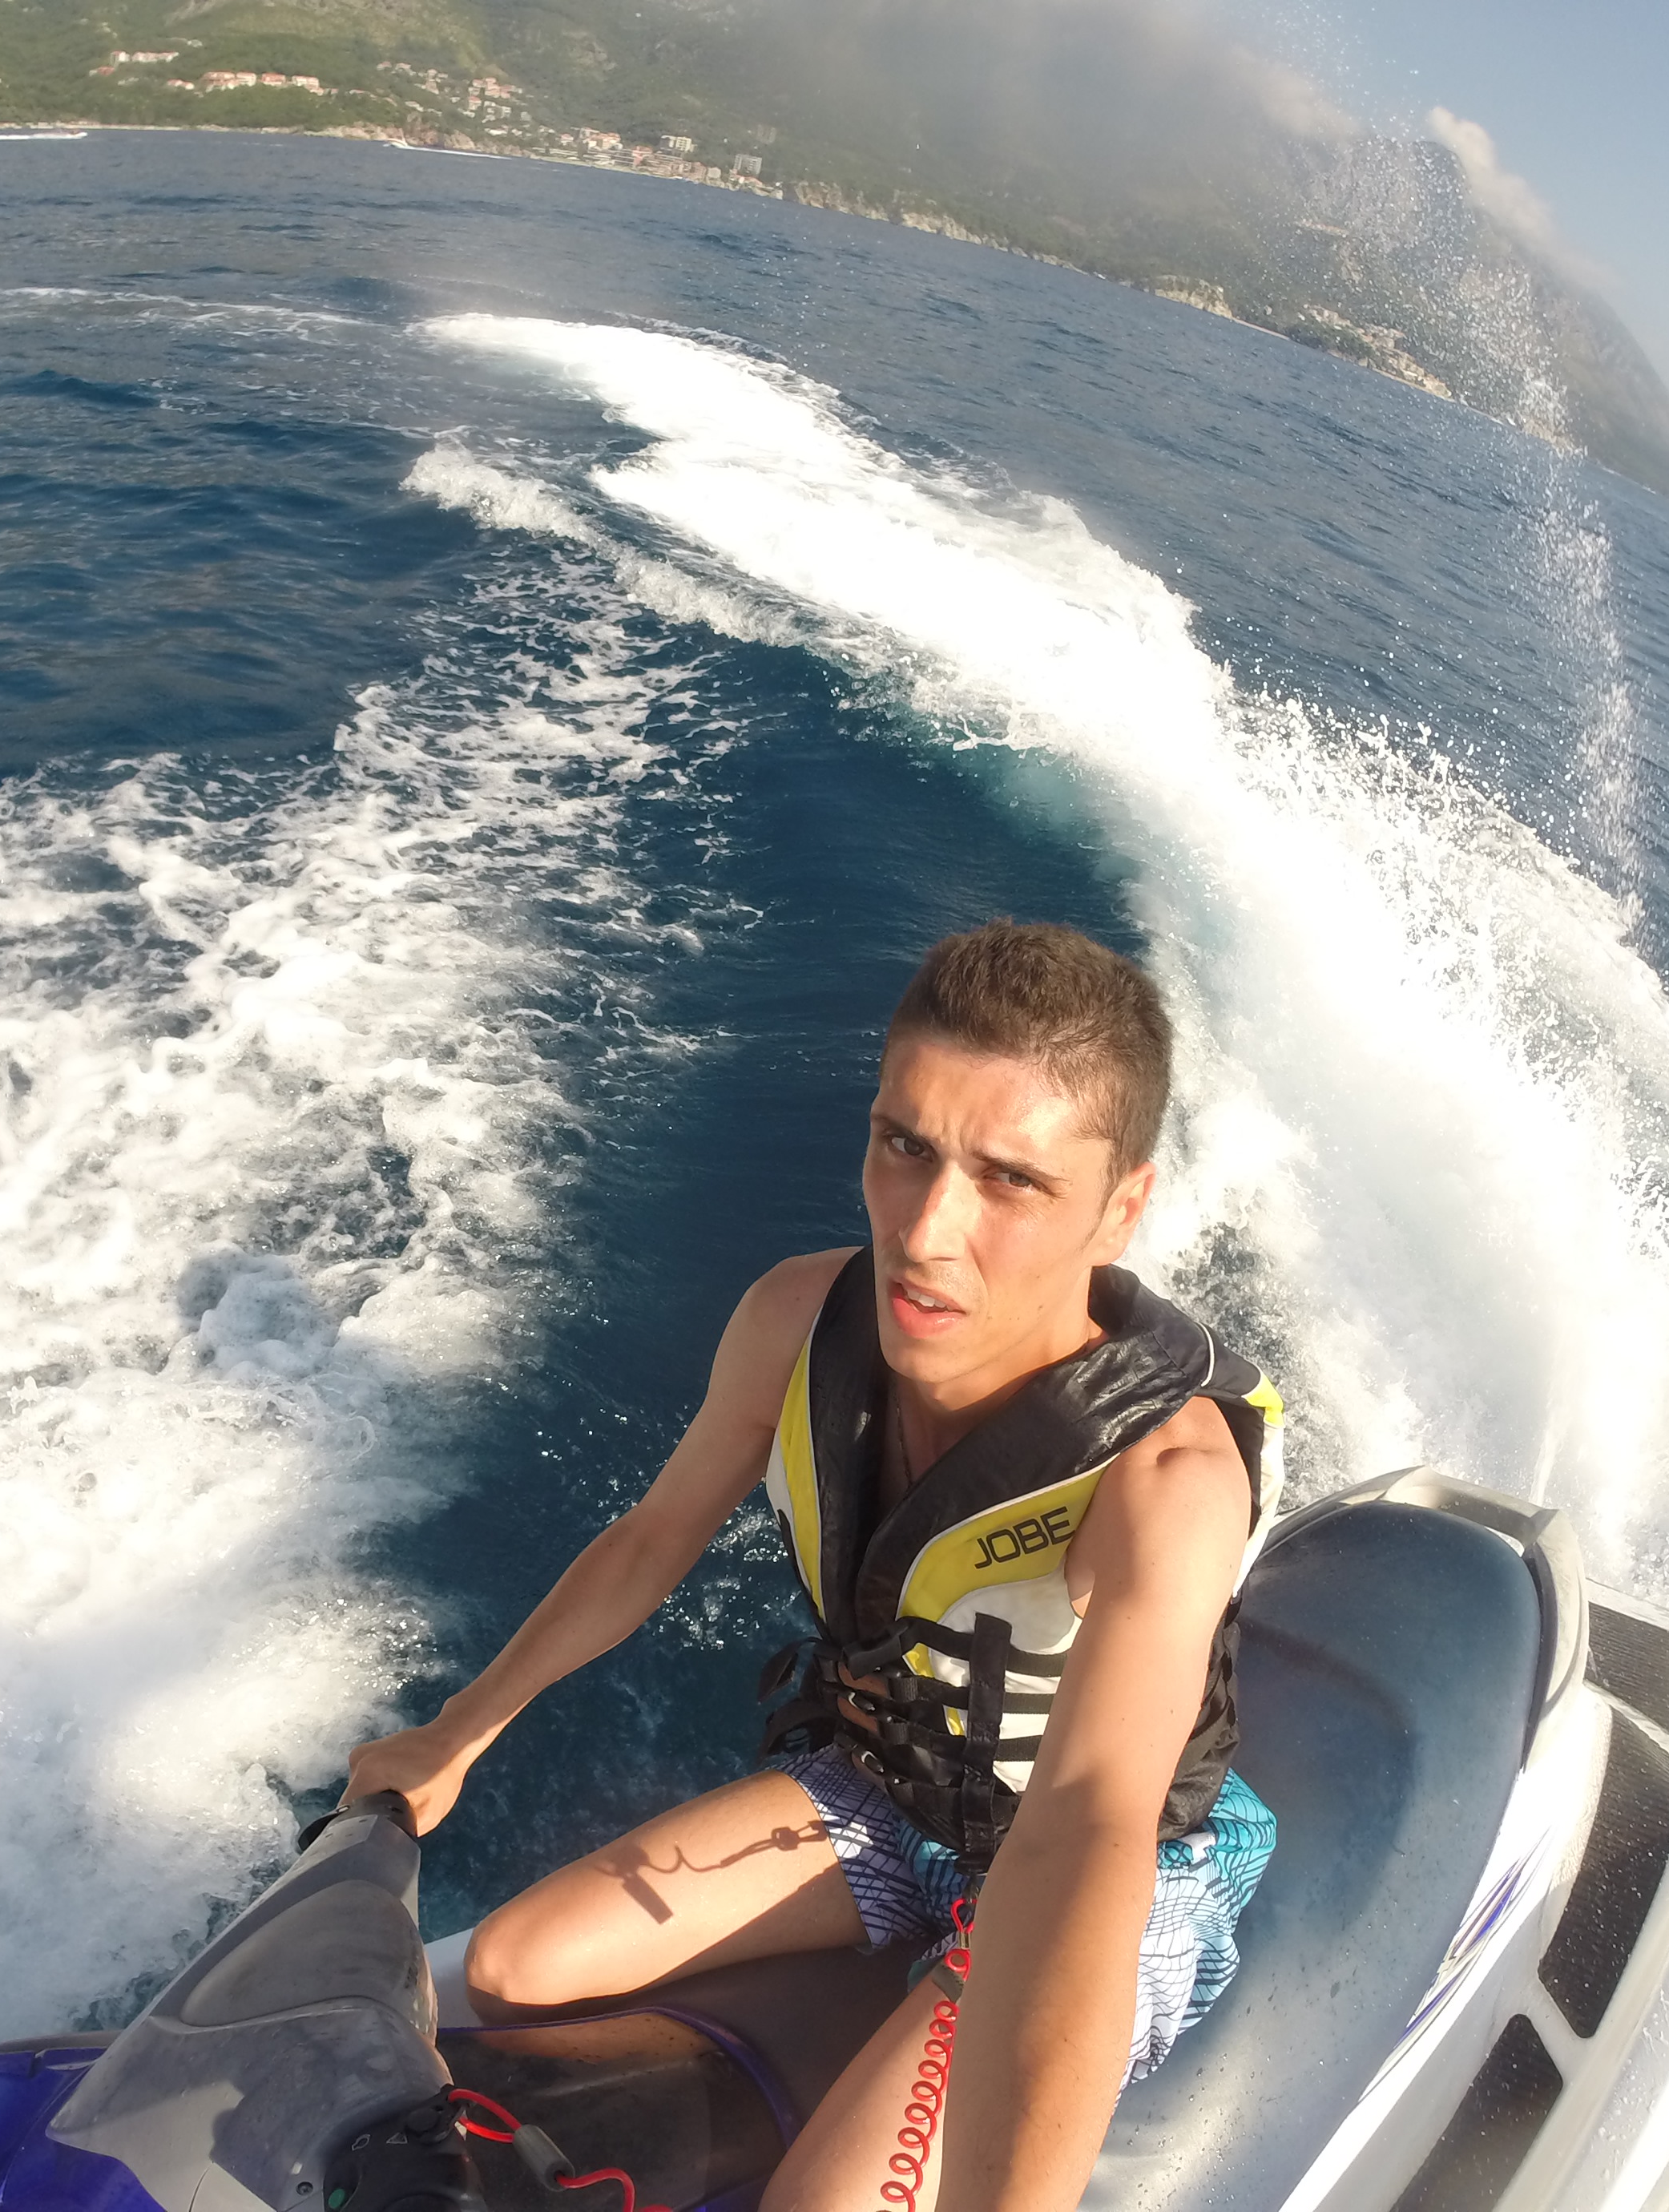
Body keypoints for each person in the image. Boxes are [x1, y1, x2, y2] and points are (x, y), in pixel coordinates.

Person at [345, 920, 1280, 2212]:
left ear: (1120, 1208)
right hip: (896, 1798)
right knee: (511, 1969)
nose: (928, 1230)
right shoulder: (797, 1317)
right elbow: (650, 1540)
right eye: (906, 1146)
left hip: (1115, 1871)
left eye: (1011, 1181)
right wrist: (453, 1736)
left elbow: (1086, 1837)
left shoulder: (1163, 1482)